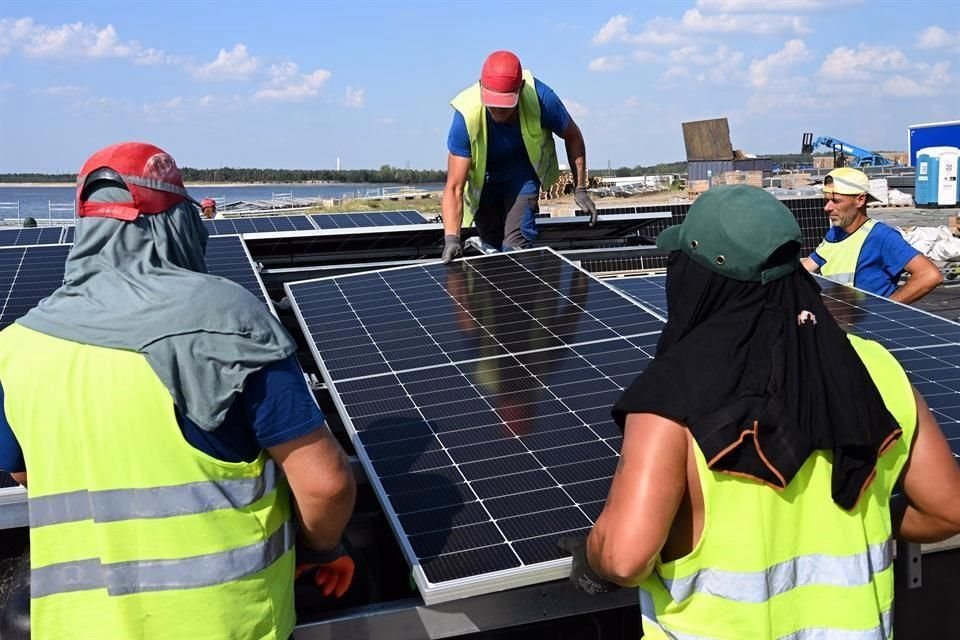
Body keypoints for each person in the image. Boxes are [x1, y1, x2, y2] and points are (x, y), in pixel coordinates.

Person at [558, 185, 960, 639]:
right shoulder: (877, 366)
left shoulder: (669, 400)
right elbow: (949, 511)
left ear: (699, 279)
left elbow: (624, 558)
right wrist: (872, 526)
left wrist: (592, 557)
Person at [0, 142, 356, 639]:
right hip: (224, 625)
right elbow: (325, 485)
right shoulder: (228, 324)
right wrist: (324, 549)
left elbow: (26, 471)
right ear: (174, 219)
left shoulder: (16, 345)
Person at [440, 50, 598, 263]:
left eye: (504, 104)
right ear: (481, 86)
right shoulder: (466, 115)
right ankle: (500, 295)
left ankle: (521, 293)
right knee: (491, 249)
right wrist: (451, 238)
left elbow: (573, 136)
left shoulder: (541, 98)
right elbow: (454, 187)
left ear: (520, 89)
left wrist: (580, 189)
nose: (497, 110)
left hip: (521, 176)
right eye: (492, 102)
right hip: (484, 183)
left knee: (515, 248)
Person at [802, 167, 942, 303]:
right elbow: (805, 269)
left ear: (860, 200)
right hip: (837, 321)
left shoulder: (881, 236)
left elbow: (929, 275)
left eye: (836, 201)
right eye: (826, 201)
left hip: (865, 325)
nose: (827, 208)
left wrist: (887, 309)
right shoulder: (835, 233)